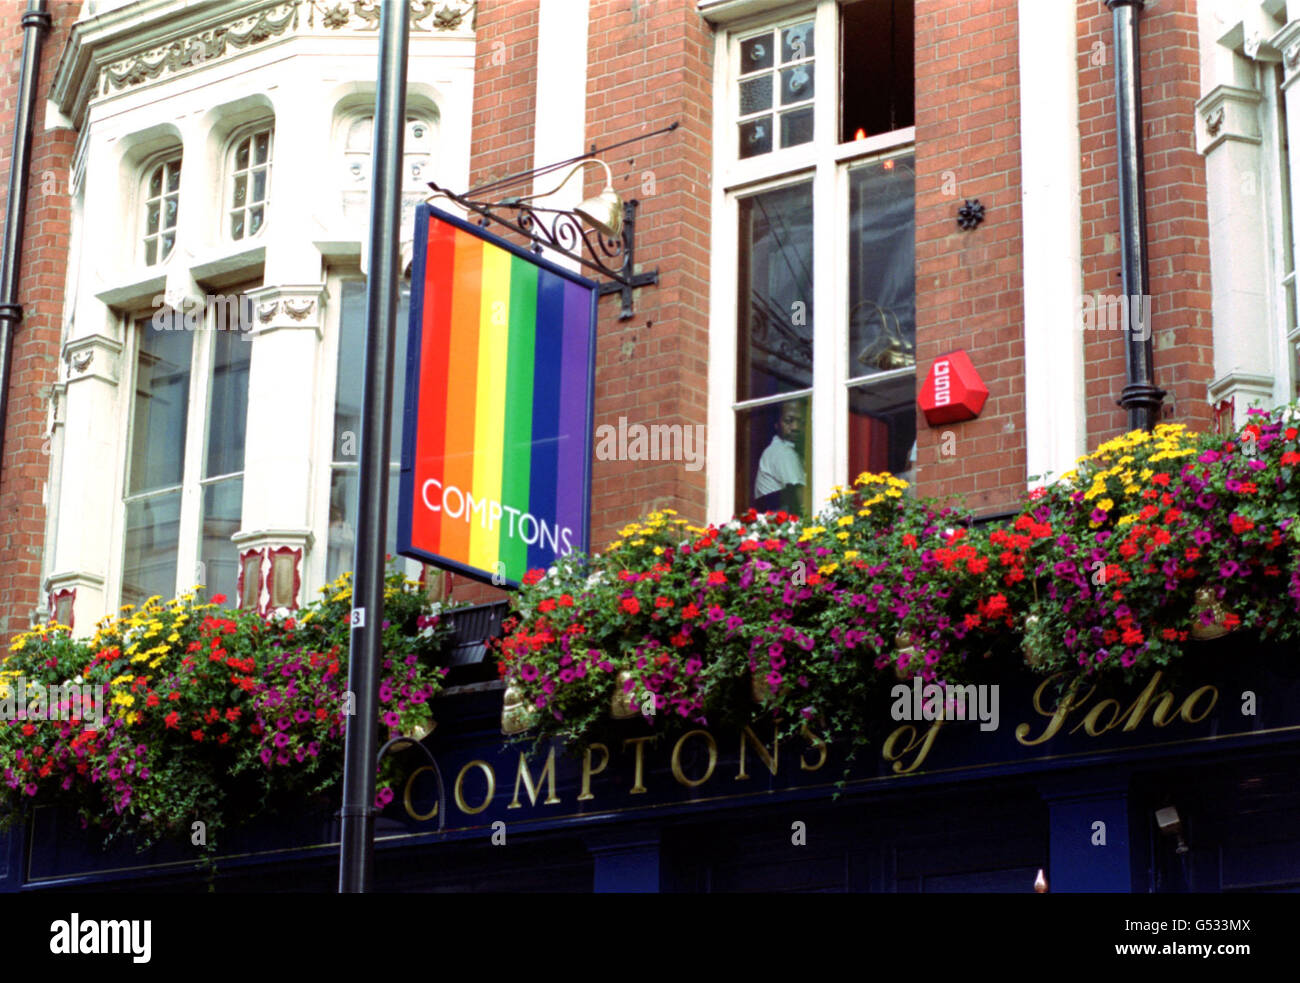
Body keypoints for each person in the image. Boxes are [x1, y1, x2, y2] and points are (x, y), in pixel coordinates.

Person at [753, 400, 806, 514]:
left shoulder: (789, 451)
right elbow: (802, 499)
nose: (795, 427)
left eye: (802, 422)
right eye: (789, 421)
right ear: (776, 424)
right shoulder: (782, 452)